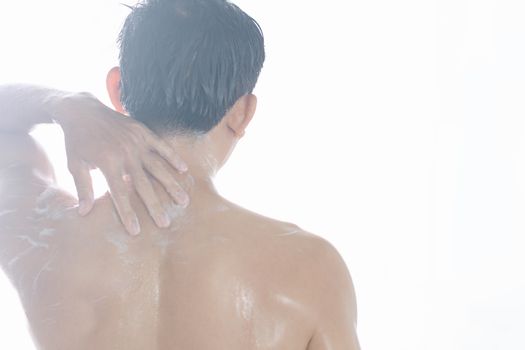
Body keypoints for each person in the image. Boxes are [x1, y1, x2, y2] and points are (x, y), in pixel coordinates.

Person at [0, 0, 360, 349]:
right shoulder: (309, 268)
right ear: (243, 112)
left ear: (116, 90)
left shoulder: (41, 236)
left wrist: (63, 104)